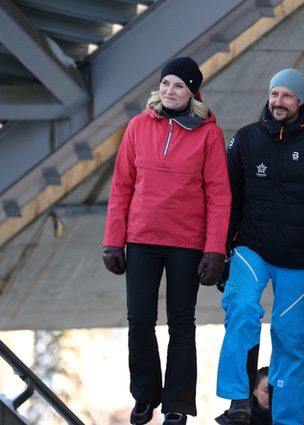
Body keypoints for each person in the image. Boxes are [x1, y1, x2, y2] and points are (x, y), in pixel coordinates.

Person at [215, 68, 304, 425]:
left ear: (300, 100)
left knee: (291, 339)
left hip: (299, 257)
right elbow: (225, 199)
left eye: (286, 95)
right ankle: (237, 401)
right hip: (251, 247)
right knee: (242, 309)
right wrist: (219, 252)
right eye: (274, 94)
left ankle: (288, 420)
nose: (278, 101)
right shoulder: (246, 139)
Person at [102, 56, 231, 425]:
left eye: (179, 86)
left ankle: (176, 403)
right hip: (141, 238)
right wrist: (113, 240)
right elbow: (121, 187)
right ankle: (145, 395)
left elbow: (219, 195)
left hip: (187, 243)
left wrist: (215, 249)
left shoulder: (208, 133)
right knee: (139, 319)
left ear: (192, 91)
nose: (170, 91)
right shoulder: (137, 127)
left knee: (181, 323)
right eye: (166, 84)